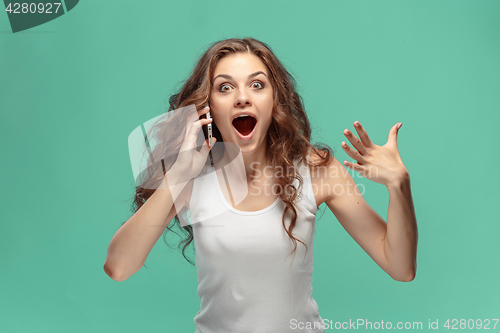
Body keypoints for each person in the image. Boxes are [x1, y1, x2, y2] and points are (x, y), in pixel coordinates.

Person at [103, 37, 418, 333]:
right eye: (225, 88)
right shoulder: (193, 176)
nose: (243, 97)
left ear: (274, 101)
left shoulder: (316, 168)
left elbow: (400, 267)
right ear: (208, 106)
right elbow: (118, 267)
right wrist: (179, 174)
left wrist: (398, 186)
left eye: (257, 85)